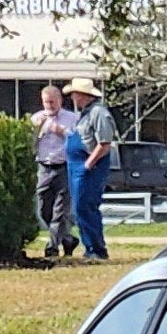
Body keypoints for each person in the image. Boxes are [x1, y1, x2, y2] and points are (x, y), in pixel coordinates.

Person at [67, 78, 118, 262]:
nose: (72, 97)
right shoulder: (85, 114)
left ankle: (96, 250)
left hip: (89, 166)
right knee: (80, 208)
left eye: (75, 94)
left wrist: (88, 164)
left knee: (86, 206)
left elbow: (104, 143)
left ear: (84, 95)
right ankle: (89, 248)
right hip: (77, 166)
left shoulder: (99, 113)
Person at [30, 82, 74, 260]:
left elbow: (77, 140)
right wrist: (36, 131)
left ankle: (52, 248)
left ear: (60, 101)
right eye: (46, 103)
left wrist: (60, 131)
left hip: (63, 166)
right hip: (44, 167)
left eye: (52, 102)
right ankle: (68, 239)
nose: (49, 106)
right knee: (43, 209)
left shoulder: (71, 118)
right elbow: (29, 144)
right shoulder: (37, 118)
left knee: (60, 211)